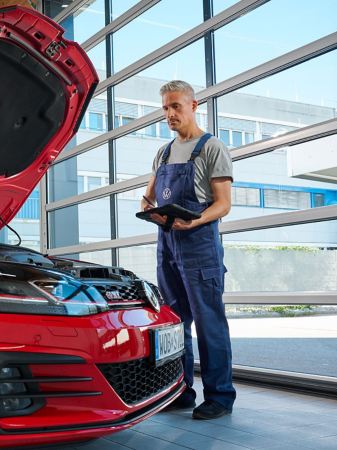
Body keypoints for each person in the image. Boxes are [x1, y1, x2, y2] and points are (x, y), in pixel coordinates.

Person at [141, 80, 235, 420]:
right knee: (174, 323)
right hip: (167, 244)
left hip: (200, 245)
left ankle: (220, 396)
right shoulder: (163, 153)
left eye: (176, 106)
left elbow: (223, 204)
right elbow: (147, 196)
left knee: (209, 322)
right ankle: (180, 390)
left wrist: (193, 222)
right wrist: (150, 210)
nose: (169, 114)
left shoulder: (212, 148)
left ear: (193, 105)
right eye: (165, 108)